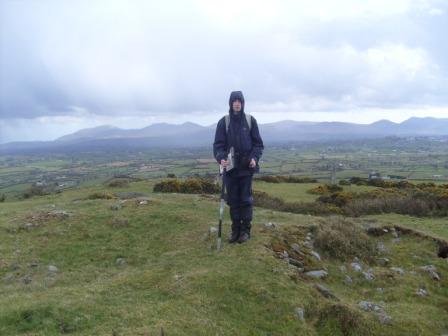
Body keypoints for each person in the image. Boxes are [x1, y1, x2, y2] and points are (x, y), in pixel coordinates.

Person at [213, 91, 264, 244]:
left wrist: (254, 158)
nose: (237, 103)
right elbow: (218, 145)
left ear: (243, 103)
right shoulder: (224, 122)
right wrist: (221, 158)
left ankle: (245, 231)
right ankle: (235, 231)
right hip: (230, 170)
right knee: (233, 201)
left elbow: (258, 144)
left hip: (246, 169)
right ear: (230, 103)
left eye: (239, 101)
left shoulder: (250, 121)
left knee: (245, 200)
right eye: (234, 101)